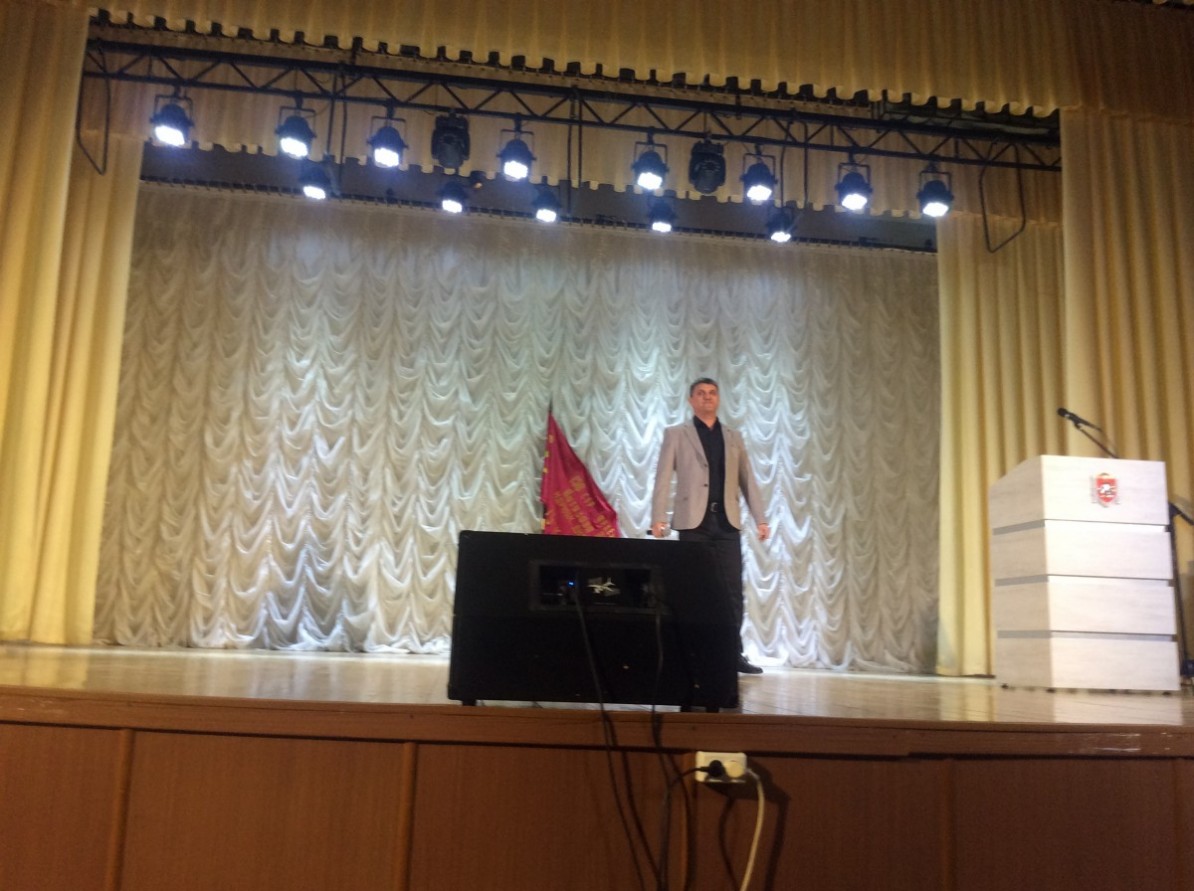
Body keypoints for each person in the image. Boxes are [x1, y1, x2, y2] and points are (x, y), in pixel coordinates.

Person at [651, 378, 769, 674]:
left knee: (732, 592)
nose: (707, 397)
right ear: (691, 400)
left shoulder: (733, 437)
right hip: (694, 523)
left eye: (712, 393)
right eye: (701, 393)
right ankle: (693, 653)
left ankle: (732, 654)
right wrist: (658, 516)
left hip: (726, 524)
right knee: (693, 590)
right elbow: (663, 477)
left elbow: (747, 479)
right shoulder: (677, 434)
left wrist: (761, 518)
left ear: (719, 398)